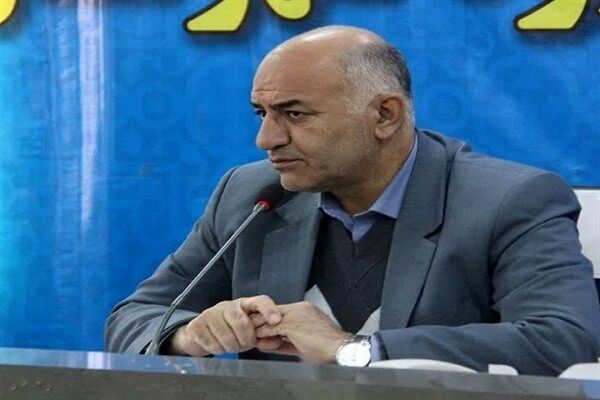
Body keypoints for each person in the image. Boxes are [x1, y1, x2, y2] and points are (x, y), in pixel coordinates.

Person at [105, 26, 600, 375]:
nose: (266, 139)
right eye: (261, 113)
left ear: (385, 115)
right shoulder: (252, 195)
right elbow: (136, 316)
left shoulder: (508, 200)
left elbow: (563, 339)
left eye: (294, 114)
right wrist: (189, 334)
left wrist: (356, 350)